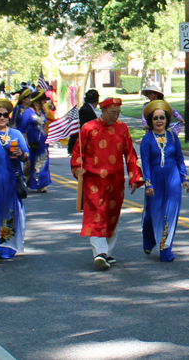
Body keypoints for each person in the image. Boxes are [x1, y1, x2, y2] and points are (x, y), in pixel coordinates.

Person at [70, 97, 144, 270]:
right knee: (97, 215)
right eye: (112, 113)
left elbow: (130, 154)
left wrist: (135, 177)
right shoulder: (88, 128)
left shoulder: (122, 128)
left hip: (115, 181)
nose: (115, 116)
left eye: (118, 113)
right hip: (93, 181)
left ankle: (107, 253)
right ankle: (100, 253)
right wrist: (78, 169)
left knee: (112, 216)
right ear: (102, 111)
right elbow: (77, 153)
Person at [0, 99, 30, 265]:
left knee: (9, 213)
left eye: (5, 115)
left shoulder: (15, 134)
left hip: (10, 181)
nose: (2, 117)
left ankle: (6, 249)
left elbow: (26, 156)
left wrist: (20, 153)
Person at [140, 100, 189, 262]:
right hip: (154, 180)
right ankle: (149, 239)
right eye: (155, 118)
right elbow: (145, 164)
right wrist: (148, 183)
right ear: (151, 121)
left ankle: (165, 249)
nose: (159, 121)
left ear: (167, 120)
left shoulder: (173, 138)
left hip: (173, 180)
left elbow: (179, 159)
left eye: (162, 117)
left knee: (170, 214)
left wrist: (185, 178)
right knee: (152, 214)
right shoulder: (147, 140)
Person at [19, 90, 52, 193]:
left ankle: (43, 183)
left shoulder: (42, 112)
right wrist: (25, 142)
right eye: (42, 100)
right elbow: (22, 128)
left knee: (44, 161)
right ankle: (33, 182)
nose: (44, 102)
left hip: (43, 140)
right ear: (36, 101)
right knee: (33, 163)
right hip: (31, 141)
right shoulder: (27, 112)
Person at [67, 89, 100, 155]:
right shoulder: (86, 111)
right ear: (97, 100)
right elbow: (81, 129)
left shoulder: (86, 109)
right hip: (82, 145)